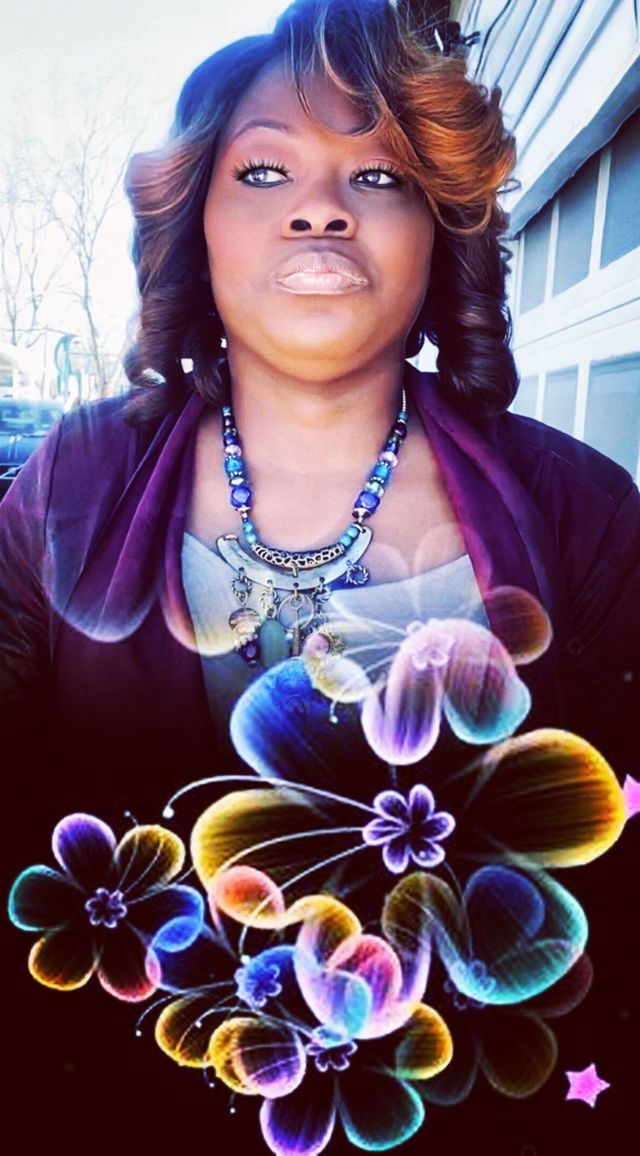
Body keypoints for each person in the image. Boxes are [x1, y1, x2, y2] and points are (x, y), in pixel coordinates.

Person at [1, 1, 638, 1152]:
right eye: (263, 170)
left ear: (440, 230)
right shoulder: (69, 485)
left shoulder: (586, 513)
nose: (319, 206)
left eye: (379, 176)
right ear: (195, 225)